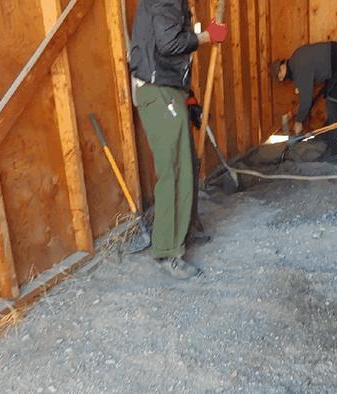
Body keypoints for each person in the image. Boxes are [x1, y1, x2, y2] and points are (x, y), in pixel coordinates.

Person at [129, 0, 227, 279]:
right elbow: (169, 43)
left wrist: (188, 92)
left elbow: (167, 47)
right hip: (158, 92)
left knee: (186, 165)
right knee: (173, 169)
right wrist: (207, 37)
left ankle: (185, 232)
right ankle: (166, 251)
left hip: (169, 89)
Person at [271, 42, 337, 161]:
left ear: (283, 66)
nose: (282, 79)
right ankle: (322, 142)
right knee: (333, 105)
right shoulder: (297, 59)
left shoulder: (299, 68)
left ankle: (335, 153)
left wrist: (298, 122)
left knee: (333, 104)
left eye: (280, 75)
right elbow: (309, 95)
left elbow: (306, 101)